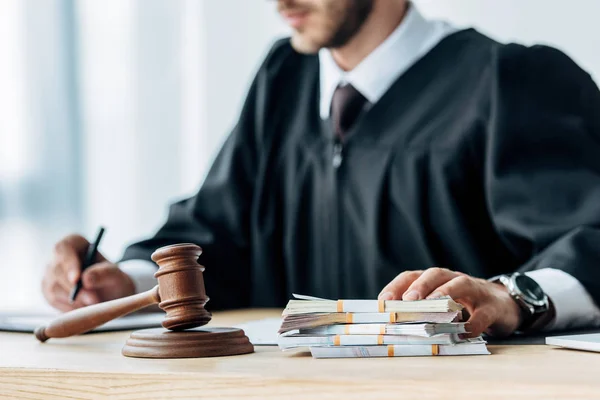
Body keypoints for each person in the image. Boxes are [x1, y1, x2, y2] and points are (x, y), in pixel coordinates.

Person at [43, 0, 600, 338]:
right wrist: (125, 281)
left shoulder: (510, 80)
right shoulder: (284, 80)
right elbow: (218, 235)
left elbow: (589, 239)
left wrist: (510, 298)